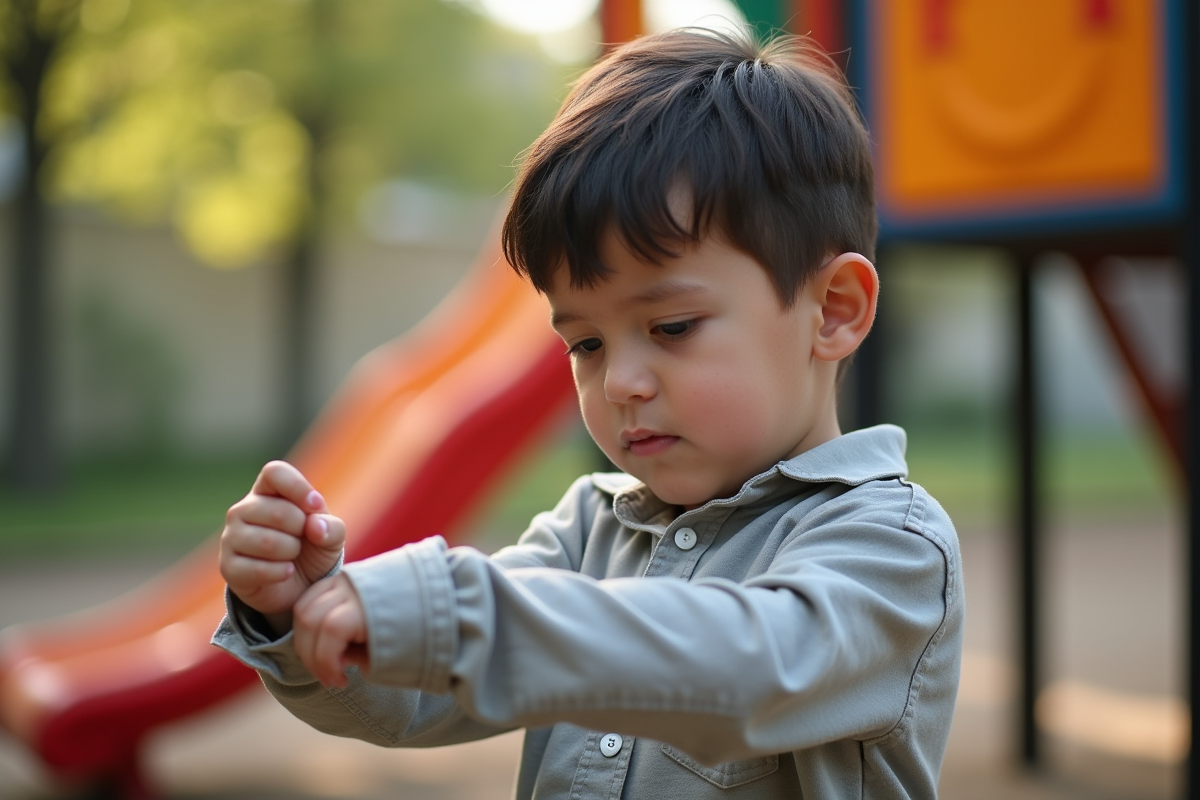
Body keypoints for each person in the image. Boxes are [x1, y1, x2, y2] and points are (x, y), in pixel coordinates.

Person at [213, 26, 963, 799]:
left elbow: (751, 671)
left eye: (672, 327)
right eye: (586, 344)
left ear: (833, 310)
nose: (620, 383)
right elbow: (411, 696)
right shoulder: (589, 532)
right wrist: (304, 618)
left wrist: (455, 613)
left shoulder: (889, 547)